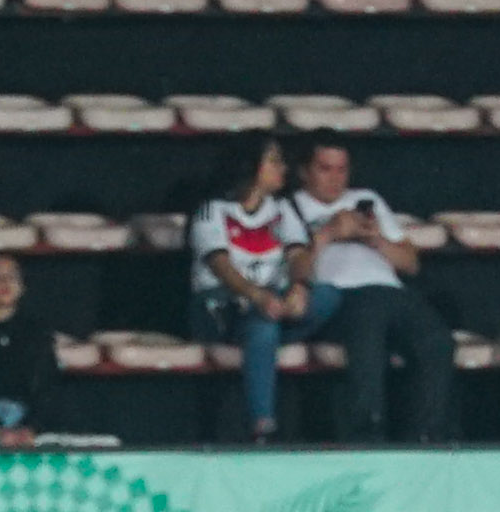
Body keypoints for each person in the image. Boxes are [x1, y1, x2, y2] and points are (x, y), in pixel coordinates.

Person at [290, 138, 455, 442]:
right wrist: (328, 234)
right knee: (368, 343)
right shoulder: (291, 206)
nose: (335, 178)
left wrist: (375, 238)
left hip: (390, 290)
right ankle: (367, 439)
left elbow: (411, 264)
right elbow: (296, 271)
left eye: (342, 170)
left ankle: (425, 439)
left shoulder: (367, 198)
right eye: (325, 169)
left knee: (437, 341)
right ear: (304, 172)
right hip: (340, 294)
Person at [187, 136, 340, 443]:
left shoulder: (282, 209)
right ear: (252, 167)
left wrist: (299, 288)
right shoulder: (213, 211)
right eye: (274, 161)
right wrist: (257, 296)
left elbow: (299, 254)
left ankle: (265, 338)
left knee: (327, 296)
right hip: (222, 306)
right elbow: (221, 265)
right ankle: (263, 424)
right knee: (263, 327)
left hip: (272, 302)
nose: (282, 168)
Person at [0, 253, 58, 448]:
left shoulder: (38, 331)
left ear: (22, 286)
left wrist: (30, 427)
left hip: (28, 426)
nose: (4, 282)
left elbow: (47, 388)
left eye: (12, 276)